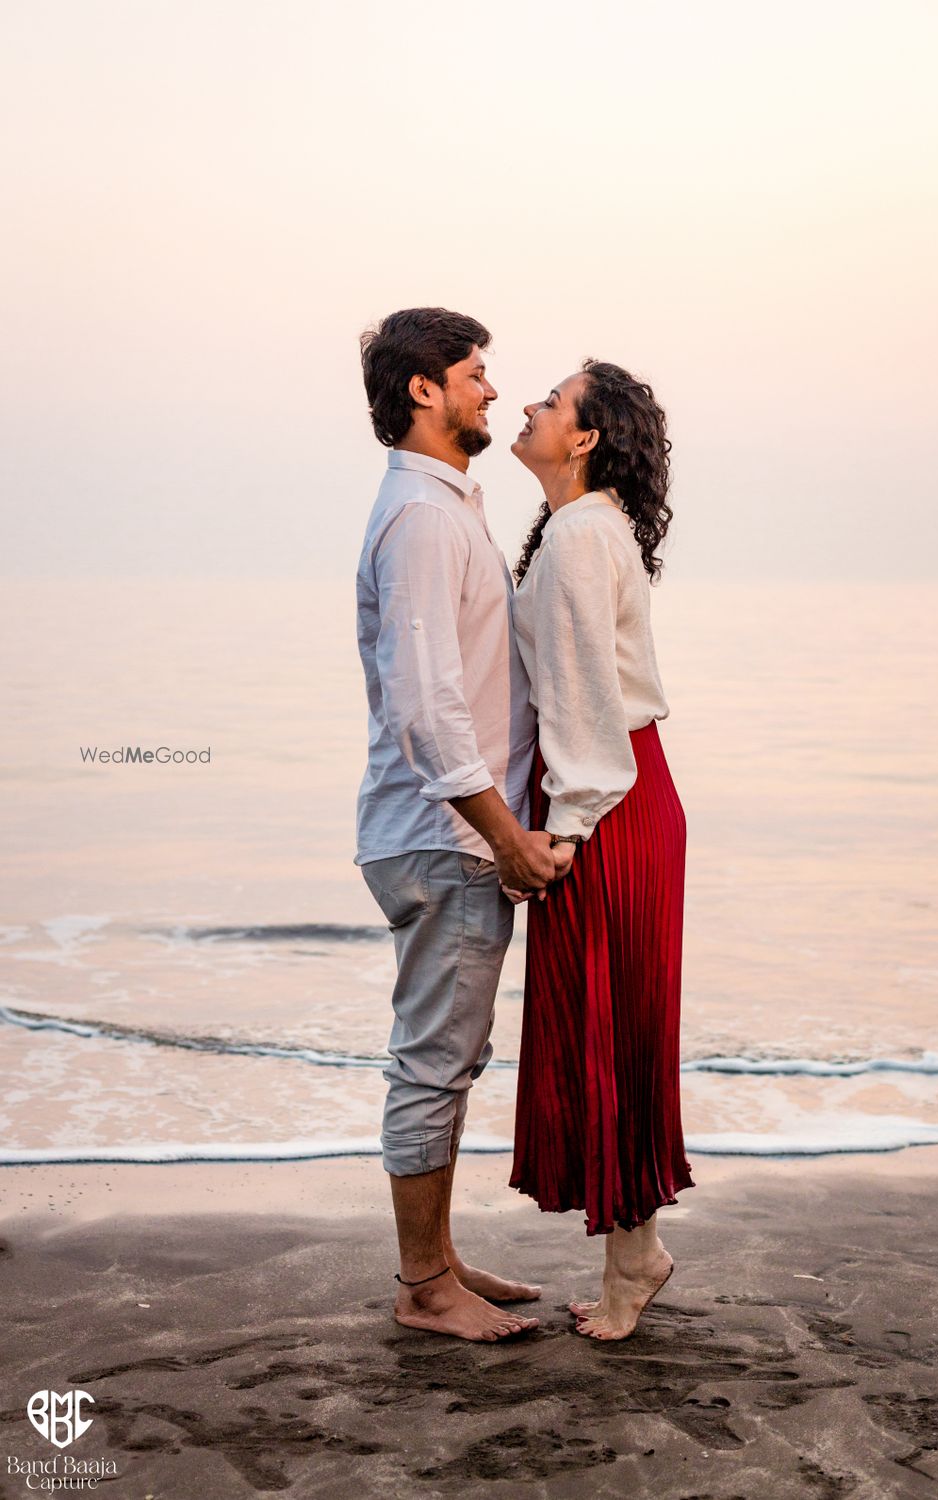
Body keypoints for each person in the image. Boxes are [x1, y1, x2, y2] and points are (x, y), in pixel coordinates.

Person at [355, 307, 555, 1342]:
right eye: (476, 373)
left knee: (451, 1052)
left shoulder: (440, 507)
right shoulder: (427, 518)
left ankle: (436, 1259)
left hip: (445, 833)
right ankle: (423, 1287)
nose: (490, 391)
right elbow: (426, 704)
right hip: (447, 839)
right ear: (424, 389)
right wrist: (507, 834)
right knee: (435, 1056)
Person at [505, 358, 695, 1340]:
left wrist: (564, 829)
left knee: (614, 1029)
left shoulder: (582, 531)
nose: (529, 406)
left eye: (550, 399)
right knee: (611, 1026)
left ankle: (633, 1270)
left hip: (607, 801)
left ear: (581, 438)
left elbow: (582, 699)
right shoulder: (580, 526)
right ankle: (637, 1255)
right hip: (623, 789)